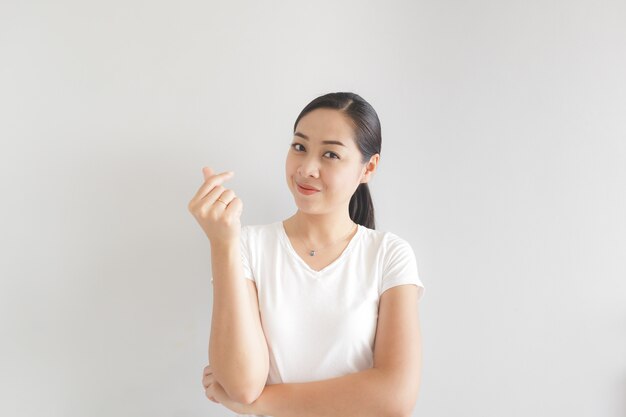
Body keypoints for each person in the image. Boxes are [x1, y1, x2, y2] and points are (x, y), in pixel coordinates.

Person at [188, 92, 425, 417]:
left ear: (368, 167)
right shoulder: (246, 245)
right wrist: (222, 242)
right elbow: (242, 384)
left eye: (330, 154)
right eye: (299, 147)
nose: (307, 168)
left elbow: (395, 397)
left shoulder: (388, 255)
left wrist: (258, 404)